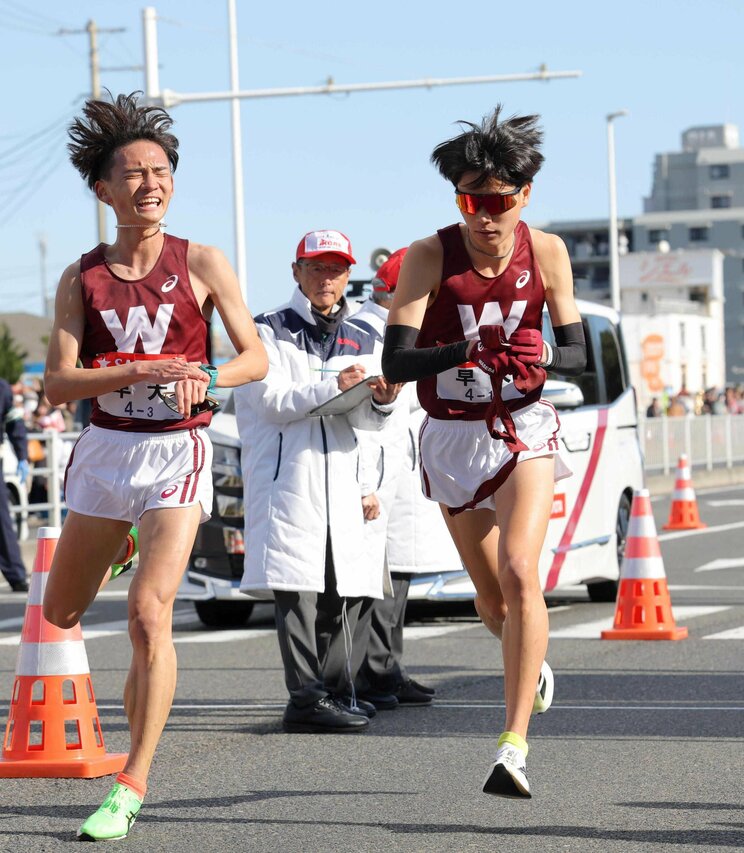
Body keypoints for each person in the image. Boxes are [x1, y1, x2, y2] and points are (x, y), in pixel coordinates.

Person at [41, 92, 268, 841]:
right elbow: (59, 384)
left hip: (179, 446)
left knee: (148, 613)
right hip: (107, 451)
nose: (151, 183)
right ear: (103, 189)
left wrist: (207, 375)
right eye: (133, 173)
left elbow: (254, 356)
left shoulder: (201, 262)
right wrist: (136, 369)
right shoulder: (82, 277)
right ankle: (125, 539)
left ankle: (130, 782)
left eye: (161, 170)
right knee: (61, 612)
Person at [382, 106, 586, 799]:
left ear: (523, 195)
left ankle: (513, 744)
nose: (486, 216)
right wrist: (467, 349)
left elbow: (580, 354)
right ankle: (528, 658)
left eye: (499, 201)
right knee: (493, 597)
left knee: (523, 570)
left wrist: (542, 353)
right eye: (472, 200)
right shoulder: (430, 254)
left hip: (523, 426)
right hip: (452, 434)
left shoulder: (548, 251)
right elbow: (396, 361)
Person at [234, 229, 400, 734]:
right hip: (291, 478)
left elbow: (372, 427)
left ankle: (330, 692)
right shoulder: (265, 328)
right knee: (297, 593)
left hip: (345, 478)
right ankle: (305, 698)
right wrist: (336, 385)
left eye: (335, 268)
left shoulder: (368, 336)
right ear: (296, 271)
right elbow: (272, 400)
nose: (326, 278)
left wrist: (383, 400)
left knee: (339, 589)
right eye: (316, 267)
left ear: (350, 274)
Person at [349, 249, 462, 707]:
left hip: (399, 465)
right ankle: (373, 671)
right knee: (381, 577)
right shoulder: (372, 330)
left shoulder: (394, 328)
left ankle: (387, 668)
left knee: (397, 575)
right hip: (377, 465)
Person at [0, 378, 30, 592]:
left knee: (2, 521)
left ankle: (16, 575)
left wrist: (22, 455)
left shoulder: (2, 389)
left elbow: (14, 422)